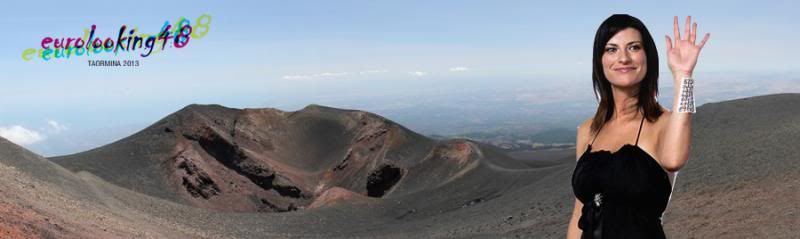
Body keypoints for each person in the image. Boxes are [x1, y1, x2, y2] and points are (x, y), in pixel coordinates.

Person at [567, 14, 710, 238]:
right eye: (611, 49)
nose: (623, 58)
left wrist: (684, 76)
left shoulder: (663, 124)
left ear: (648, 57)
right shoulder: (588, 130)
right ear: (600, 61)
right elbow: (579, 212)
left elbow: (674, 160)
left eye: (633, 47)